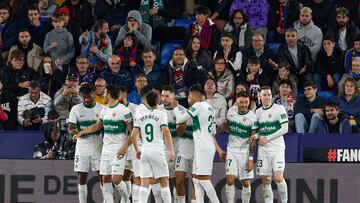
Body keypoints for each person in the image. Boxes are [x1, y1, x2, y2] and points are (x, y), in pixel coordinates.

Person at [73, 85, 133, 203]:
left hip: (118, 149)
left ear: (109, 95)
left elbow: (133, 132)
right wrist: (81, 132)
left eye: (105, 93)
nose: (103, 95)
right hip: (106, 150)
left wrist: (124, 147)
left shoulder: (124, 111)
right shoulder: (104, 109)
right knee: (105, 178)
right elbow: (97, 125)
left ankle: (126, 198)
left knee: (116, 179)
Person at [174, 84, 221, 203]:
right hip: (204, 145)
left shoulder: (198, 105)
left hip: (203, 148)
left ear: (195, 96)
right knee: (196, 180)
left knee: (204, 180)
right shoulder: (210, 108)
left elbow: (180, 119)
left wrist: (175, 107)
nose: (188, 98)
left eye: (189, 96)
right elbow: (213, 131)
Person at [130, 90, 175, 203]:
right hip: (157, 150)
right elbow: (166, 132)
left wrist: (137, 150)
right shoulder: (161, 114)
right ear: (158, 101)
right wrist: (171, 151)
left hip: (144, 150)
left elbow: (133, 135)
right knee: (164, 181)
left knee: (144, 182)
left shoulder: (140, 115)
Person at [68, 83, 104, 203]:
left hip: (98, 144)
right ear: (81, 95)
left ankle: (106, 200)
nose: (87, 99)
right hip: (82, 145)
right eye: (85, 97)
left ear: (94, 93)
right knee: (82, 174)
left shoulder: (102, 108)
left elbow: (103, 127)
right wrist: (72, 131)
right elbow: (71, 125)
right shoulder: (76, 109)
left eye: (90, 96)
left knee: (101, 174)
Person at [256, 86, 288, 203]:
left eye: (269, 94)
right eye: (264, 95)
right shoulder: (258, 112)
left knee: (278, 178)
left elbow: (285, 128)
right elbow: (260, 130)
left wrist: (268, 138)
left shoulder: (279, 109)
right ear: (260, 97)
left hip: (277, 149)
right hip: (264, 151)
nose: (267, 97)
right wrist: (255, 136)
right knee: (266, 180)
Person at [225, 91, 257, 203]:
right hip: (231, 150)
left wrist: (250, 159)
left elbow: (253, 140)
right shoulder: (231, 112)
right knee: (230, 180)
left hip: (245, 152)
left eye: (246, 102)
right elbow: (226, 126)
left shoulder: (253, 117)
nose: (244, 104)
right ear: (236, 101)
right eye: (241, 102)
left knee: (246, 182)